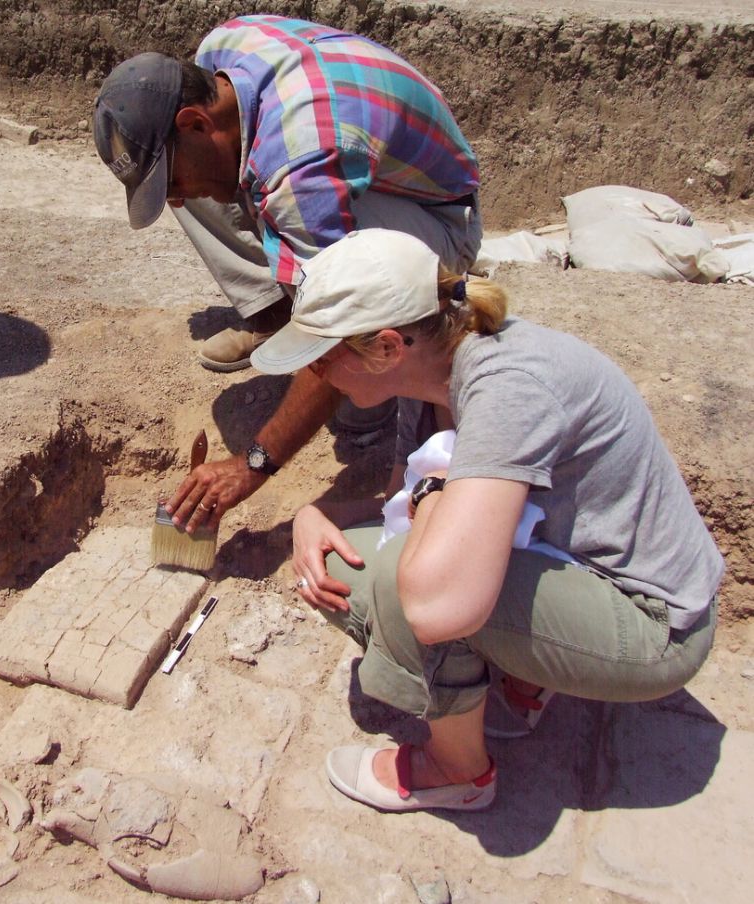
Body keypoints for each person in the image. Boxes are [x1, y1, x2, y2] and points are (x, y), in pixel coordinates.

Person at [250, 229, 724, 812]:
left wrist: (431, 493)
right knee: (346, 551)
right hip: (586, 567)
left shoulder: (506, 389)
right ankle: (526, 682)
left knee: (396, 580)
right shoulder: (430, 374)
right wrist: (314, 512)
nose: (317, 375)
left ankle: (455, 771)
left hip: (656, 627)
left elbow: (435, 601)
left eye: (323, 357)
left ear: (389, 348)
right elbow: (407, 497)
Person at [92, 15, 482, 533]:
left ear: (195, 121)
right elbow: (221, 169)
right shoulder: (219, 54)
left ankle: (366, 409)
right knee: (205, 187)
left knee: (338, 316)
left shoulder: (299, 170)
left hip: (439, 218)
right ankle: (281, 309)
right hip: (347, 160)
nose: (178, 195)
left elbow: (348, 316)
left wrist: (255, 463)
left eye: (174, 177)